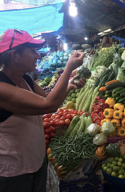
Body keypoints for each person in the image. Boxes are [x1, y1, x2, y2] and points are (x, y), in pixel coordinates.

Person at [0, 29, 86, 192]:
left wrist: (68, 86)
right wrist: (69, 67)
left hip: (37, 162)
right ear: (14, 56)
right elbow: (49, 104)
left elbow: (45, 100)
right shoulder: (1, 88)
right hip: (13, 173)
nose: (38, 56)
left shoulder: (26, 79)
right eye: (32, 51)